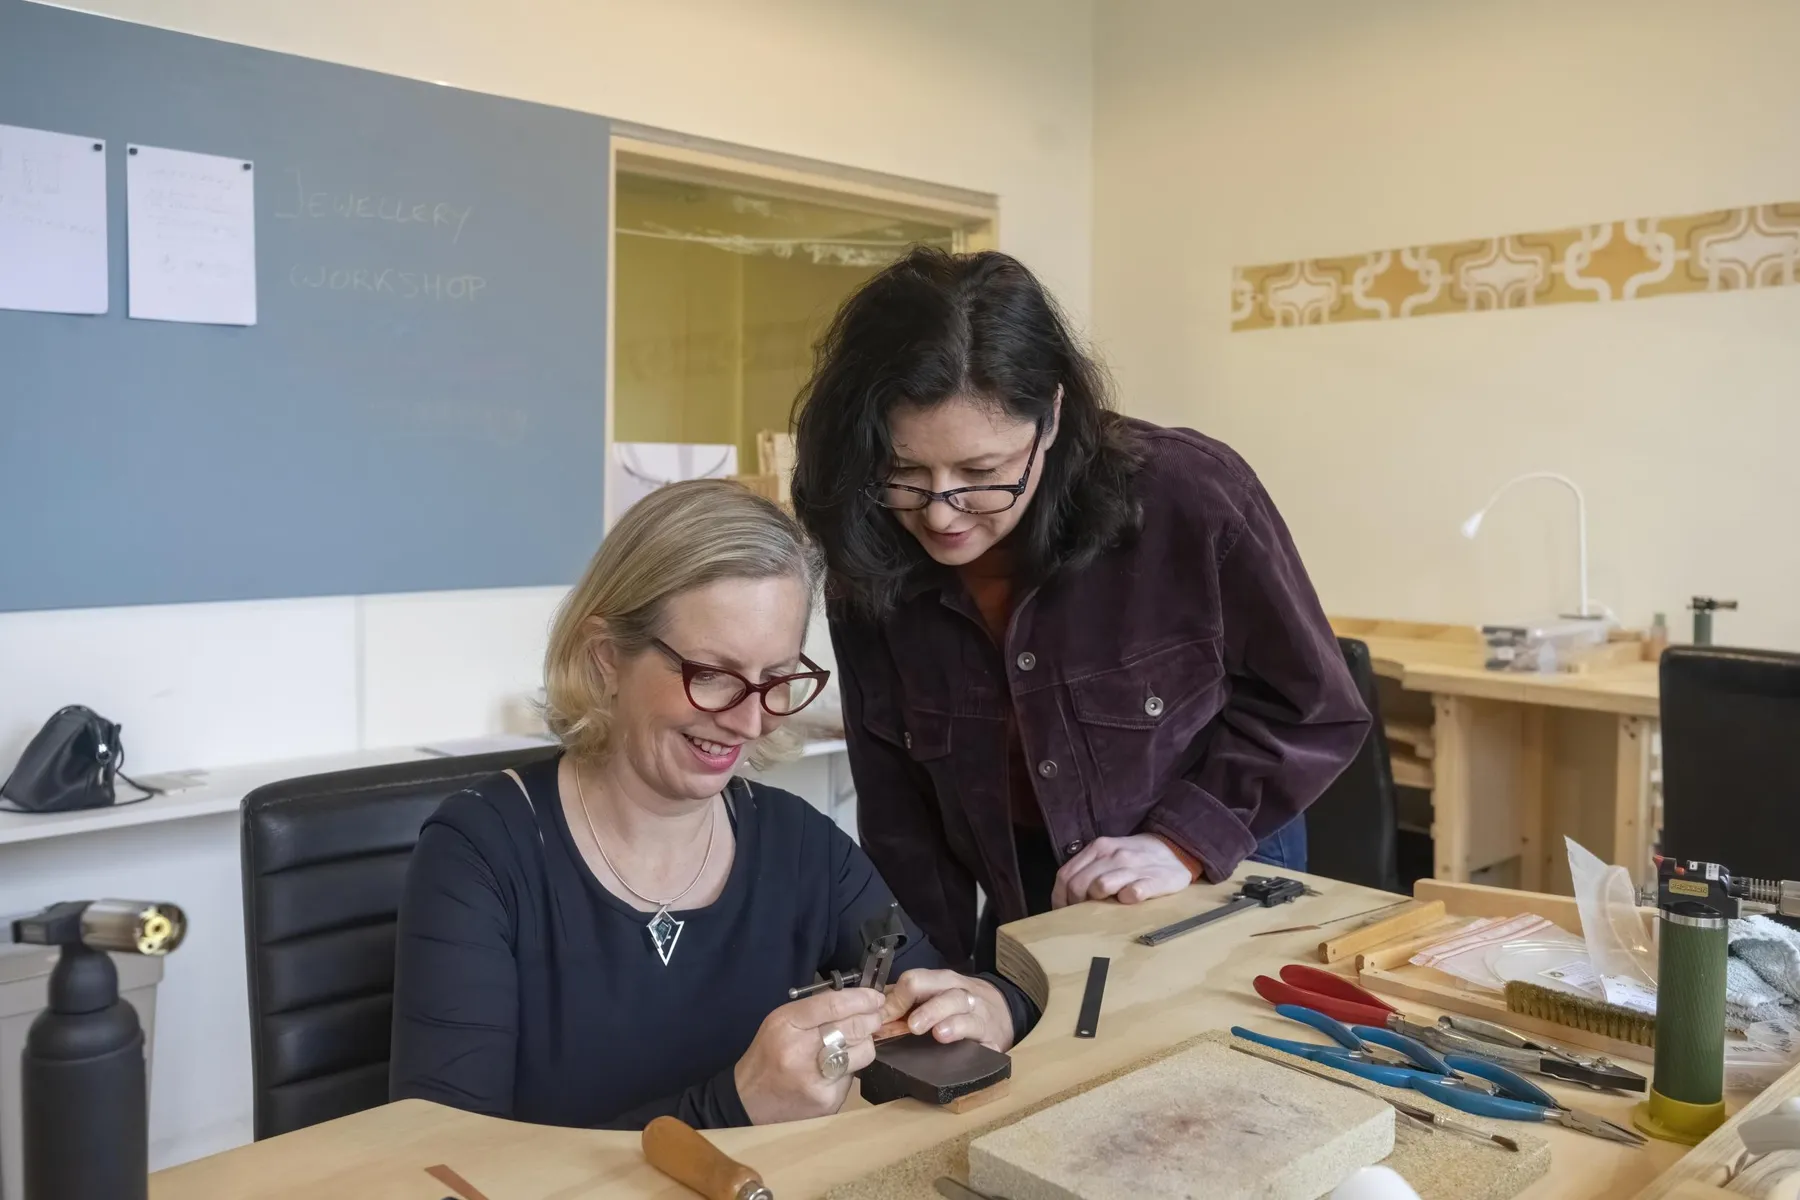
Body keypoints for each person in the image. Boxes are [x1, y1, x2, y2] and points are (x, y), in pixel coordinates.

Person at [389, 480, 1034, 1130]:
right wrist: (730, 1106)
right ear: (607, 657)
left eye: (777, 679)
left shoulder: (799, 845)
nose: (752, 722)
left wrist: (987, 1006)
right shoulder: (481, 853)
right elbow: (444, 1164)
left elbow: (934, 998)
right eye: (715, 676)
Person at [790, 248, 1370, 971]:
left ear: (1054, 415)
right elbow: (900, 815)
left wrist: (1181, 842)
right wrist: (919, 979)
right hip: (1033, 901)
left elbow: (1314, 708)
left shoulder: (1187, 496)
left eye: (982, 474)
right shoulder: (874, 549)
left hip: (1216, 879)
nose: (941, 514)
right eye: (905, 473)